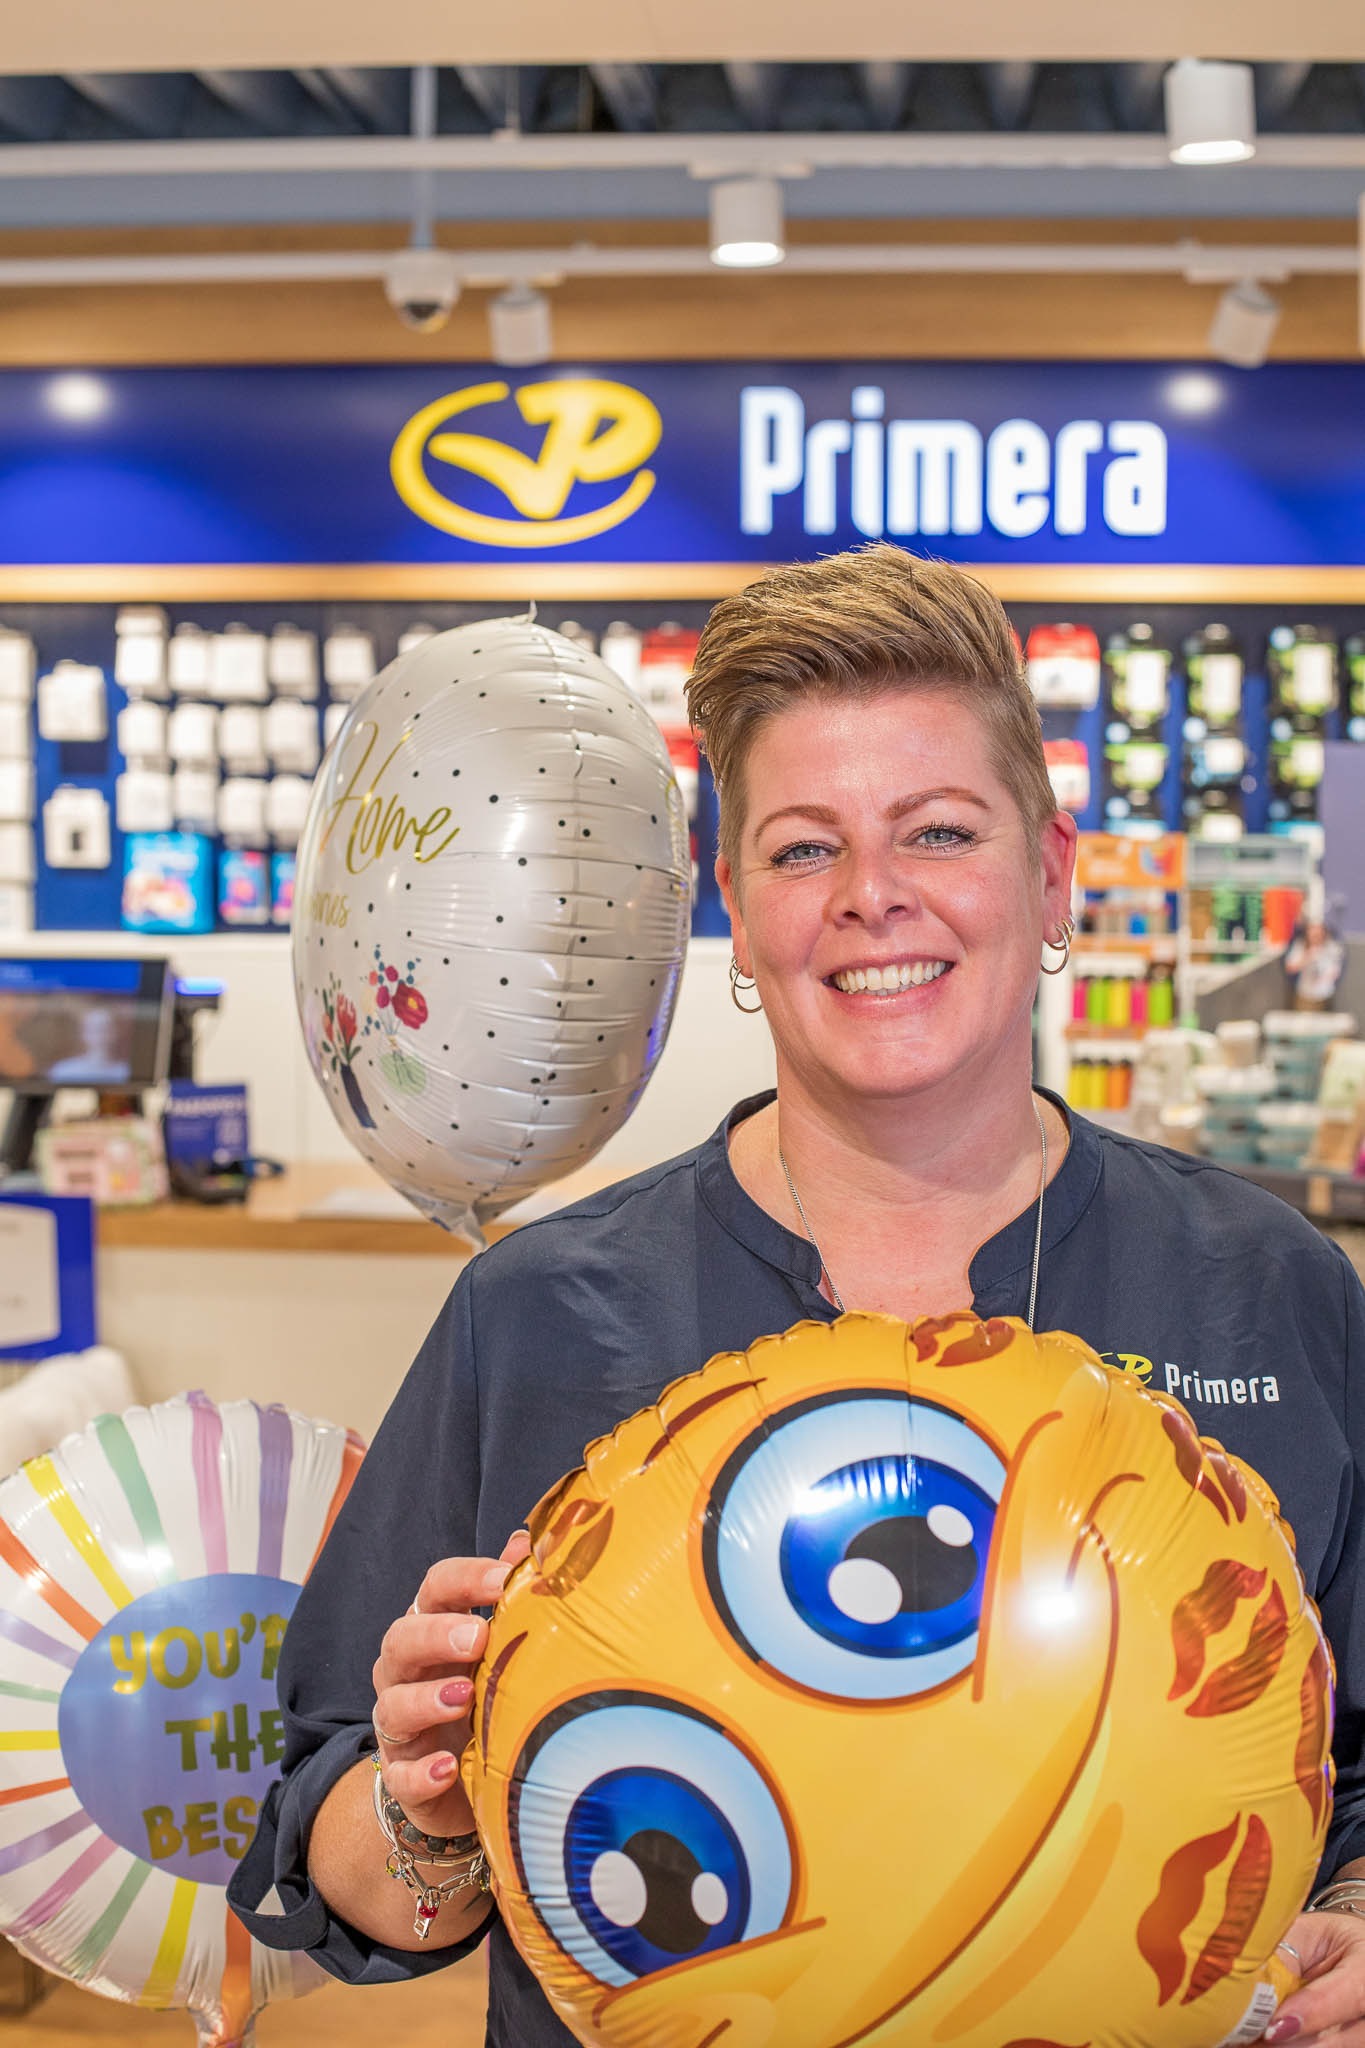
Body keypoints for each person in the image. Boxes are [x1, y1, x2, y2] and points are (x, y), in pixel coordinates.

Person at [230, 546, 1365, 2048]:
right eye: (802, 849)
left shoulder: (1259, 1286)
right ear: (735, 909)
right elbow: (340, 1875)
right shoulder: (539, 1314)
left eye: (938, 831)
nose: (872, 898)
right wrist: (421, 1797)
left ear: (1050, 876)